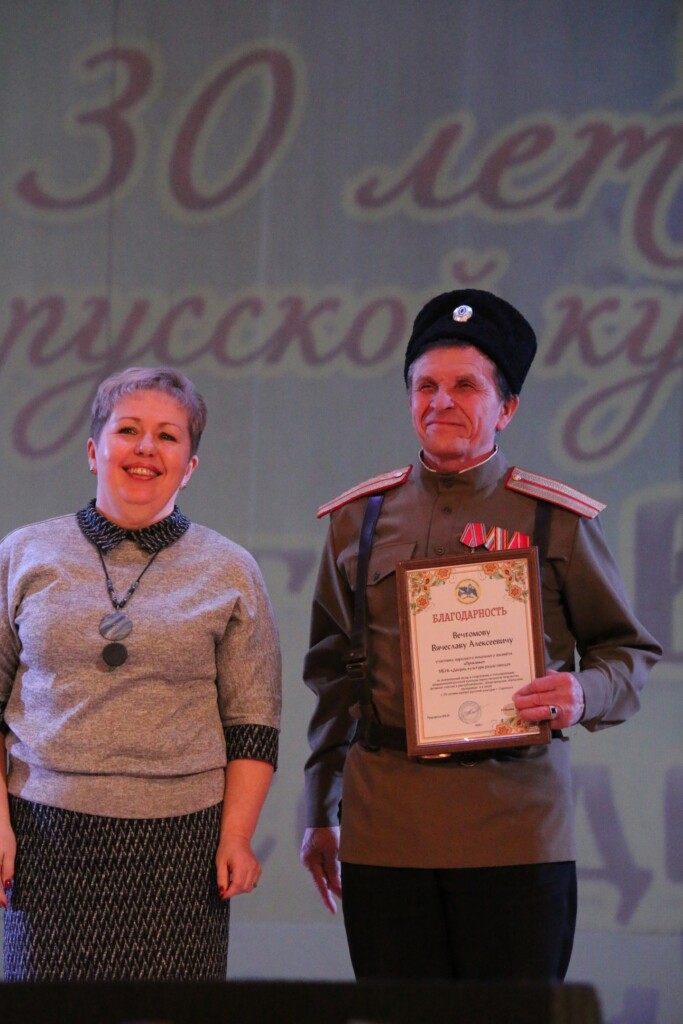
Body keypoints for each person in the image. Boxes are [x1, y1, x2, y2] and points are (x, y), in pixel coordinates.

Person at [300, 289, 661, 981]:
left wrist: (582, 693)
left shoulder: (555, 519)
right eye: (425, 386)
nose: (441, 402)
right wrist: (320, 808)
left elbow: (629, 651)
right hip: (386, 830)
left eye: (466, 385)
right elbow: (333, 675)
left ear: (507, 407)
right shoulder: (357, 520)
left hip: (515, 830)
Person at [0, 366, 281, 981]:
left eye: (168, 436)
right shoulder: (23, 554)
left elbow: (253, 723)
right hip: (44, 836)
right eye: (128, 430)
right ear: (93, 451)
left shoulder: (231, 569)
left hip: (184, 848)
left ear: (190, 466)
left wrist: (236, 837)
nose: (146, 448)